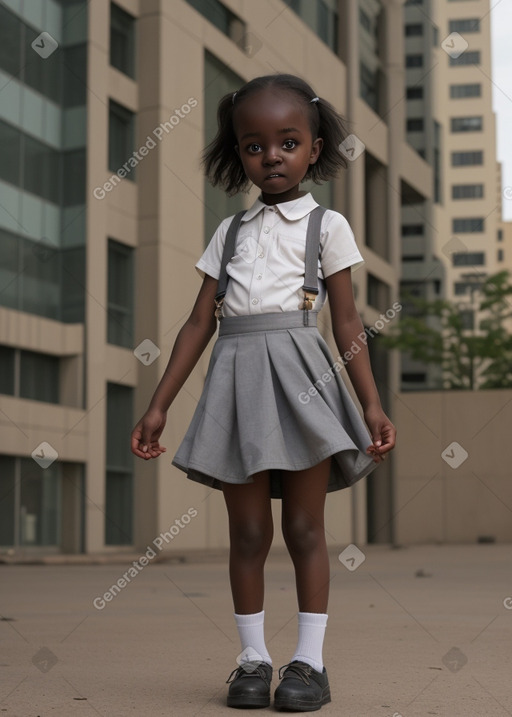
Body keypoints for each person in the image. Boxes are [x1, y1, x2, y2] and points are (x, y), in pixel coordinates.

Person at [131, 73, 396, 712]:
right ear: (238, 153)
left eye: (287, 142)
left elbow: (348, 322)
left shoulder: (327, 227)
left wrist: (371, 401)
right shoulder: (230, 234)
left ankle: (311, 664)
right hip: (237, 379)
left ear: (314, 147)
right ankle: (252, 659)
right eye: (254, 145)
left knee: (304, 527)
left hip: (305, 380)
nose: (270, 156)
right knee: (248, 533)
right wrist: (159, 402)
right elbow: (200, 322)